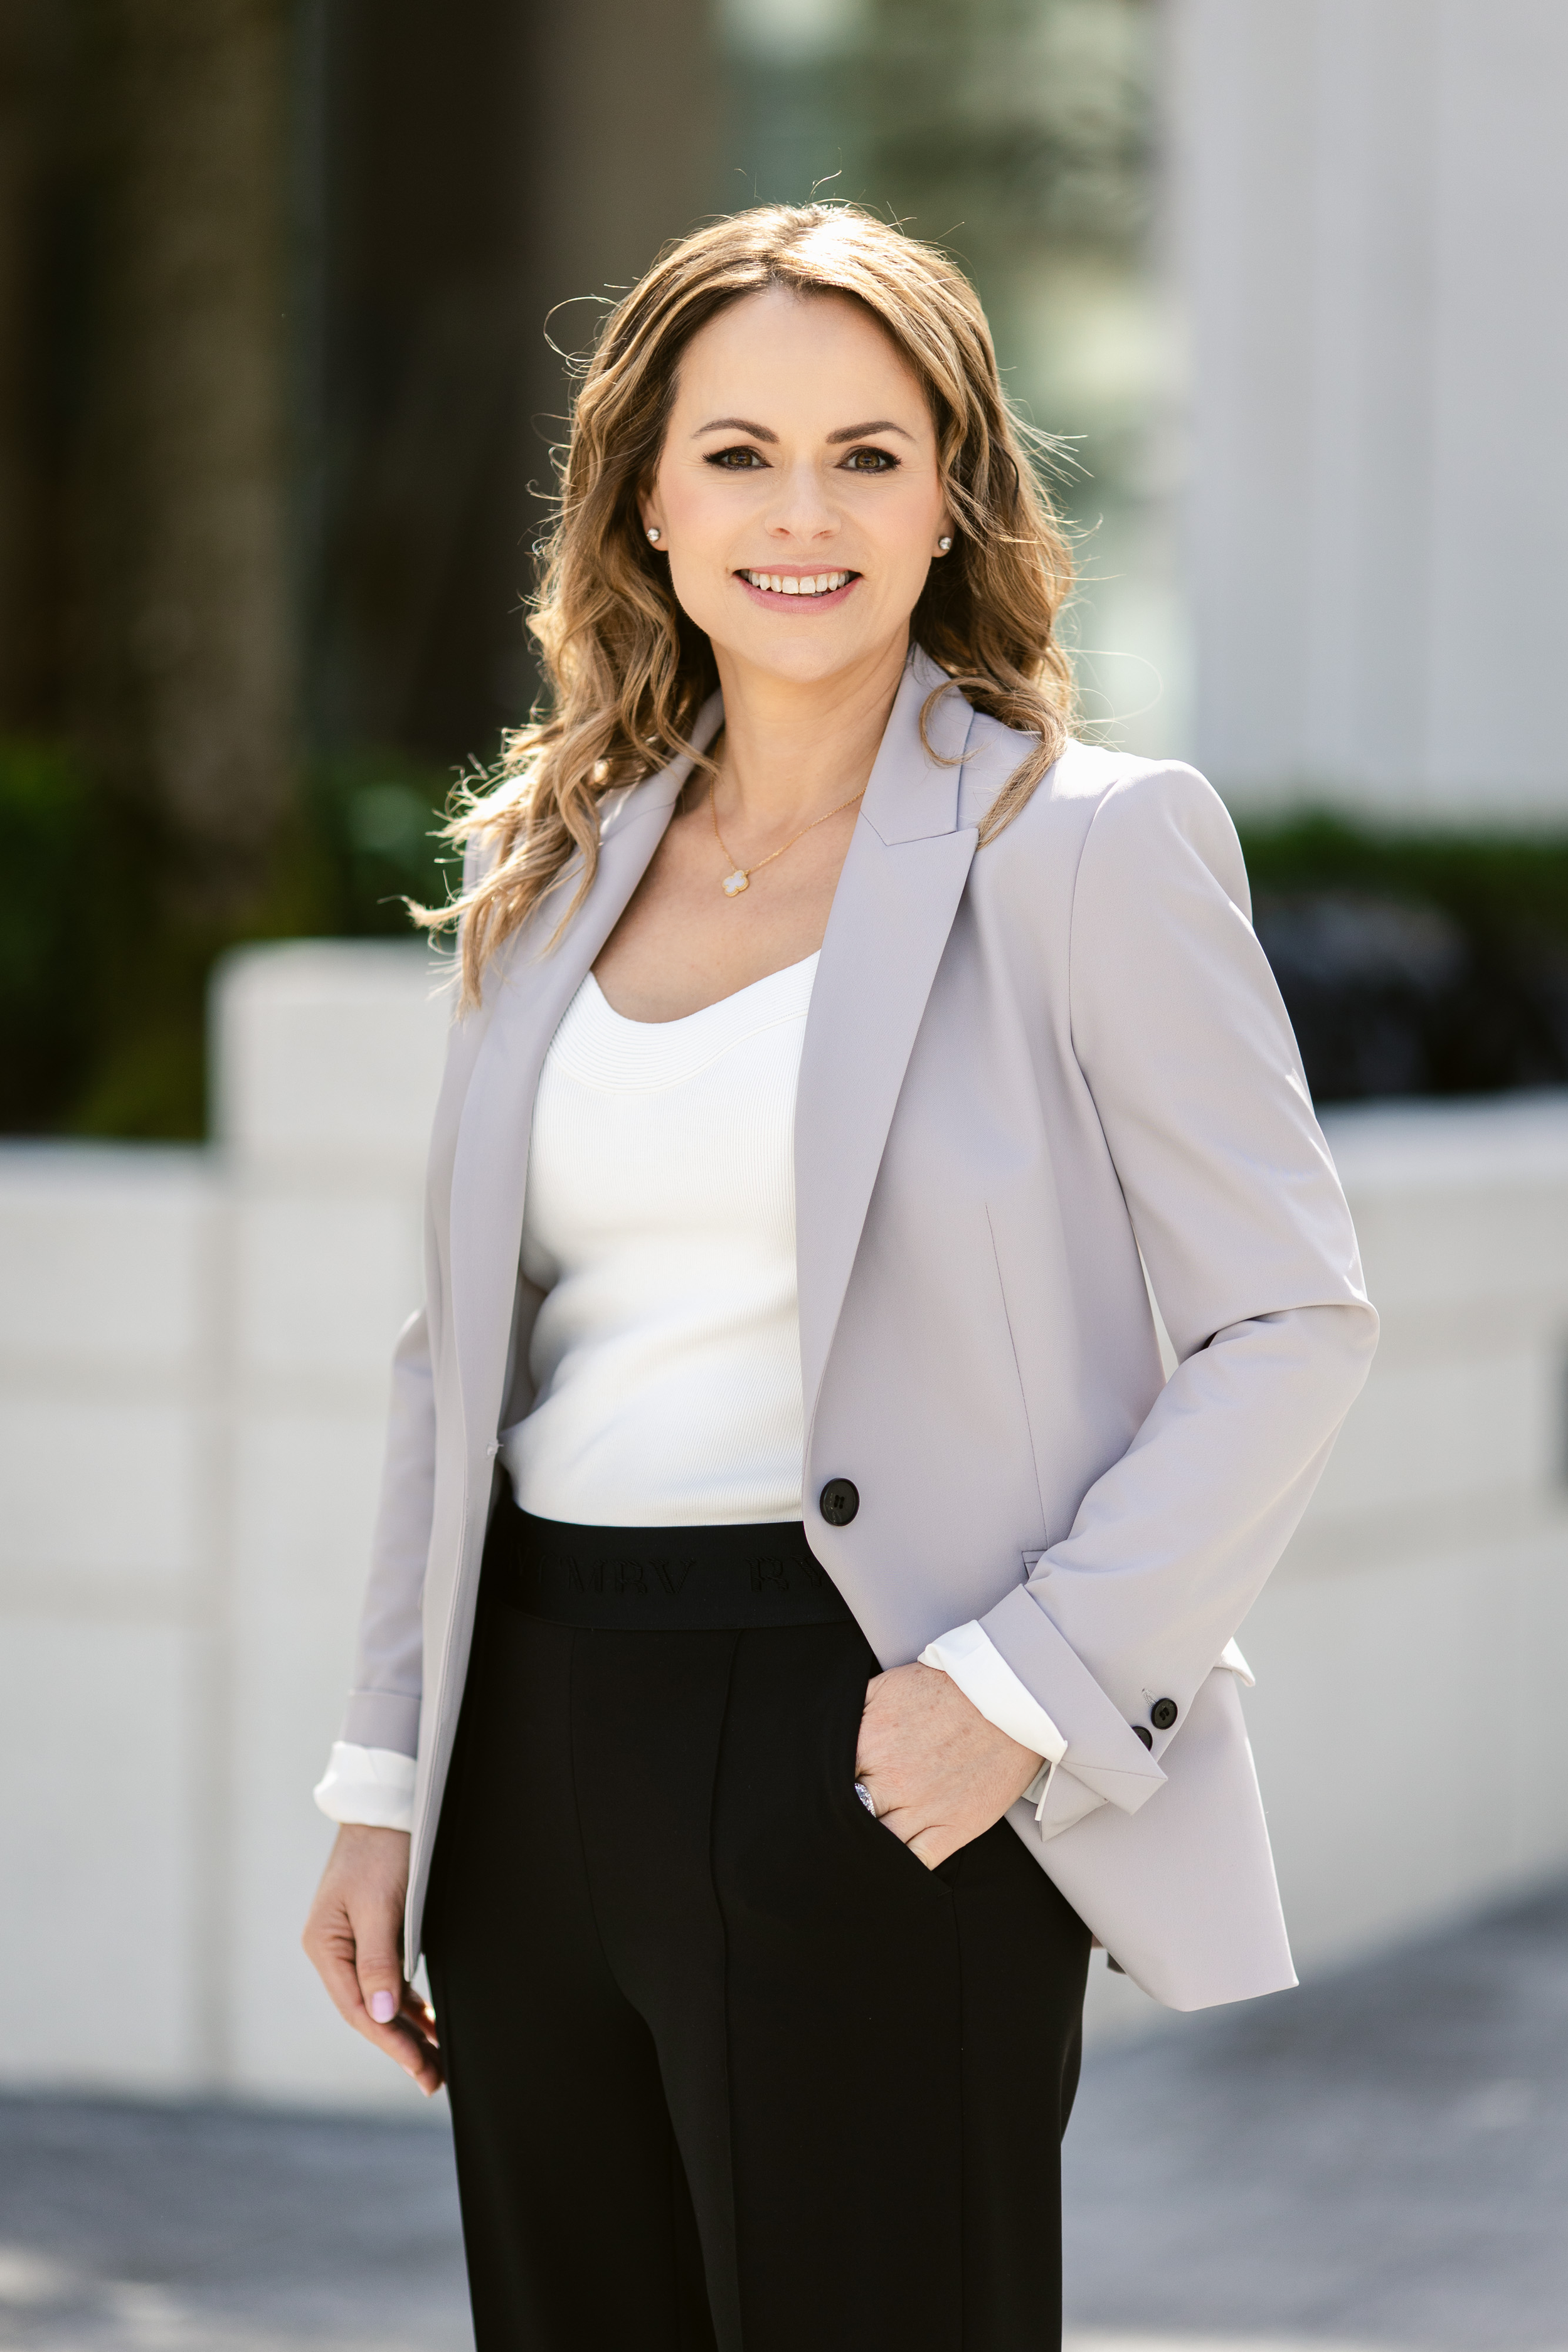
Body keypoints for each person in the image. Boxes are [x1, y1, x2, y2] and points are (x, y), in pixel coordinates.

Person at [302, 203, 1377, 2352]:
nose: (801, 514)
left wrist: (1024, 1692)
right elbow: (462, 1354)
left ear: (955, 491)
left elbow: (1287, 1318)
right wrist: (384, 1781)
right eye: (738, 453)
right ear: (640, 493)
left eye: (868, 454)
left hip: (881, 1732)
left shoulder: (1084, 846)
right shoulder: (551, 853)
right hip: (533, 1742)